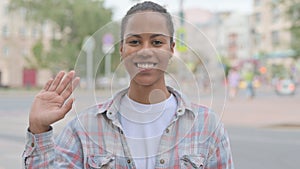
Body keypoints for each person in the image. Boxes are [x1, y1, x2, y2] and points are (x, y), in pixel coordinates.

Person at [22, 1, 234, 168]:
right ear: (122, 49)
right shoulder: (85, 128)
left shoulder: (207, 126)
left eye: (157, 42)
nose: (145, 50)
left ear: (171, 49)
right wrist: (39, 129)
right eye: (134, 42)